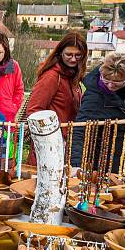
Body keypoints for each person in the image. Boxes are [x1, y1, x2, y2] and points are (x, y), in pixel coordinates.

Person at [71, 53, 125, 171]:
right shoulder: (93, 97)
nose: (111, 85)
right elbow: (80, 129)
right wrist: (76, 164)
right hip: (107, 152)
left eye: (117, 82)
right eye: (106, 80)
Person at [25, 32, 88, 163]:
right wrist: (47, 139)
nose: (73, 59)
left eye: (78, 55)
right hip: (49, 145)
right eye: (69, 54)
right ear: (60, 53)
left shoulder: (73, 78)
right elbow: (34, 110)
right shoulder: (52, 77)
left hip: (66, 143)